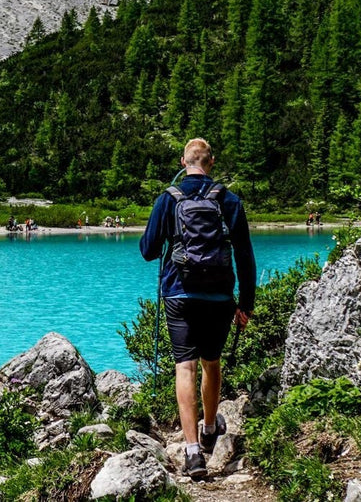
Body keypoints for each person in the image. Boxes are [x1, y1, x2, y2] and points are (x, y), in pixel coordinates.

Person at [139, 138, 256, 479]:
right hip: (220, 297)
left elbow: (148, 250)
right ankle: (208, 428)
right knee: (212, 362)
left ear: (183, 161)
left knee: (185, 367)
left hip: (178, 294)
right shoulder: (228, 200)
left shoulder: (169, 199)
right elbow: (245, 257)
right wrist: (245, 304)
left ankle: (192, 453)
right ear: (211, 162)